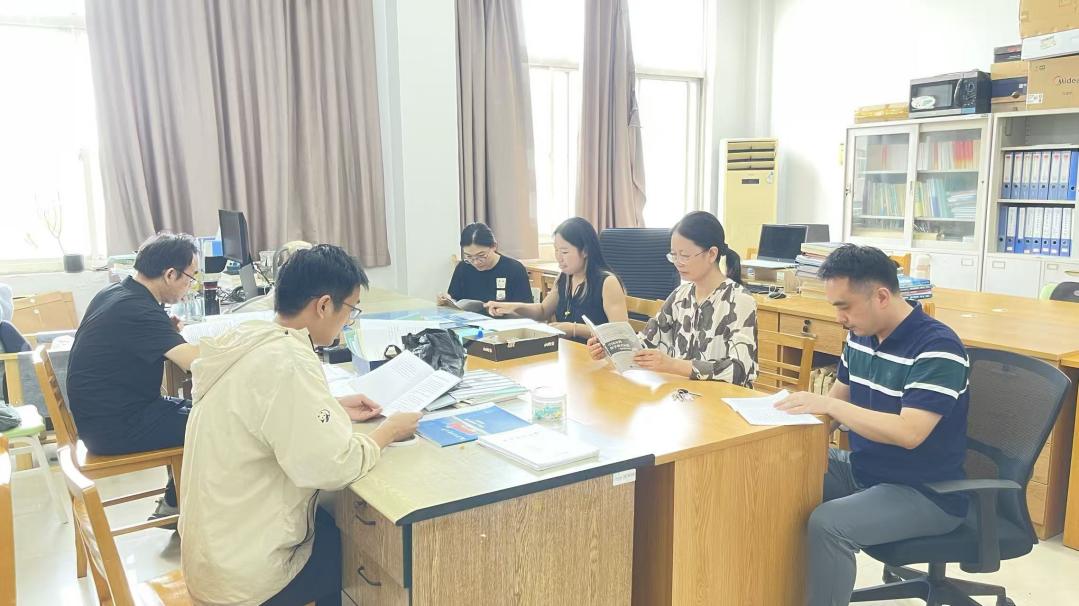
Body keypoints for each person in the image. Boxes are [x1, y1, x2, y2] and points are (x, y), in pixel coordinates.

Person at [179, 244, 420, 606]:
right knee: (348, 551)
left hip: (212, 555)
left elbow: (264, 412)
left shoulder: (254, 340)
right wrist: (388, 433)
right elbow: (332, 467)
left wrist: (331, 407)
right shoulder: (289, 361)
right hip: (241, 580)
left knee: (328, 525)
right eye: (350, 310)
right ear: (323, 305)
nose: (349, 321)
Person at [773, 244, 969, 606]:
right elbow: (835, 408)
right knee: (775, 471)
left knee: (829, 524)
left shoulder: (938, 347)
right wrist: (783, 430)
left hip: (926, 491)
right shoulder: (860, 336)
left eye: (845, 306)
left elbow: (909, 433)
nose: (839, 318)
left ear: (881, 296)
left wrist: (830, 405)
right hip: (865, 470)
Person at [66, 232, 202, 521]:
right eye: (191, 278)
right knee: (217, 422)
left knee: (206, 410)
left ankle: (176, 501)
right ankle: (185, 507)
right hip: (116, 428)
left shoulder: (117, 293)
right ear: (170, 274)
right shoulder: (137, 310)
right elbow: (195, 363)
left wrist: (164, 332)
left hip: (105, 417)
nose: (190, 286)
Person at [588, 211, 757, 385]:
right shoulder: (680, 295)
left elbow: (740, 369)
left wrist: (672, 365)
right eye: (673, 255)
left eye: (685, 256)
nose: (678, 262)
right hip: (683, 394)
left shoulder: (739, 300)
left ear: (712, 254)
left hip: (722, 397)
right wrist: (611, 349)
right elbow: (646, 343)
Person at [486, 217, 628, 342]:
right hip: (567, 352)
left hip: (596, 356)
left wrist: (574, 329)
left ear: (585, 251)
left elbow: (620, 334)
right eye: (556, 250)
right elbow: (543, 311)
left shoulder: (607, 282)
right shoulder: (564, 278)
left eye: (565, 252)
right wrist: (512, 307)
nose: (559, 257)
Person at [438, 222, 533, 313]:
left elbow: (527, 311)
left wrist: (504, 310)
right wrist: (446, 301)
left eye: (481, 255)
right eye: (469, 257)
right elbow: (454, 300)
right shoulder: (463, 267)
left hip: (503, 322)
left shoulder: (514, 269)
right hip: (469, 322)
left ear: (494, 246)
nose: (475, 262)